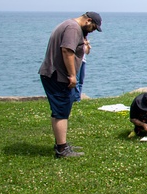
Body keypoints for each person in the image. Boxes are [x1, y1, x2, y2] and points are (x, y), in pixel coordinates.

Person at [39, 12, 102, 158]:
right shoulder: (73, 28)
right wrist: (73, 75)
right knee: (61, 112)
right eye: (93, 27)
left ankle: (61, 144)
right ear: (88, 20)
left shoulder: (69, 25)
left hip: (53, 74)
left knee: (60, 110)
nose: (93, 30)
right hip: (58, 76)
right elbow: (67, 50)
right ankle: (62, 149)